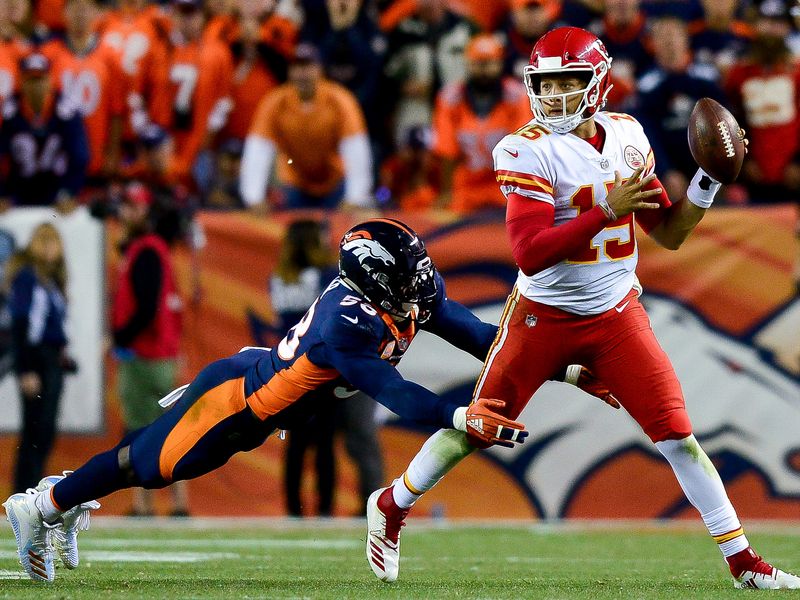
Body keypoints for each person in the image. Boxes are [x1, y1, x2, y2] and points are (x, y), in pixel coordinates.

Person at [365, 27, 800, 591]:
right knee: (481, 424)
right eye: (546, 84)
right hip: (541, 316)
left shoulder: (627, 136)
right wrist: (604, 209)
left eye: (568, 82)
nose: (555, 96)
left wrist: (707, 180)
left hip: (616, 314)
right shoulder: (528, 148)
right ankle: (393, 505)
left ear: (596, 82)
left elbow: (668, 234)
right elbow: (529, 253)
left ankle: (744, 564)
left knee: (678, 436)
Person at [6, 217, 591, 583]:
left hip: (262, 390)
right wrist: (458, 414)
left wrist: (562, 369)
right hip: (238, 404)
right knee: (146, 467)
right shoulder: (347, 322)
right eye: (408, 280)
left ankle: (58, 499)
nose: (422, 290)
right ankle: (41, 506)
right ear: (374, 283)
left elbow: (481, 336)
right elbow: (393, 392)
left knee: (147, 466)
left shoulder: (407, 290)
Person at [111, 181, 189, 517]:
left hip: (147, 355)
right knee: (167, 429)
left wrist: (120, 338)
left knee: (141, 433)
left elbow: (145, 308)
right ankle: (175, 503)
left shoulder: (145, 250)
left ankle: (147, 504)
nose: (126, 212)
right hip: (158, 354)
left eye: (133, 206)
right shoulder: (150, 247)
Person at [239, 42, 373, 210]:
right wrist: (253, 197)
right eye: (297, 67)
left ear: (320, 69)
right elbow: (258, 148)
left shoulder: (340, 100)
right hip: (294, 183)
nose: (302, 73)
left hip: (335, 183)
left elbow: (355, 148)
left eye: (308, 67)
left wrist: (355, 197)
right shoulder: (275, 102)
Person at [6, 223, 75, 492]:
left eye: (53, 241)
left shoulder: (52, 280)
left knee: (45, 429)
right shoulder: (27, 277)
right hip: (36, 360)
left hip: (51, 360)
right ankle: (23, 493)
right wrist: (26, 368)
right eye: (44, 241)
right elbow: (22, 324)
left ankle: (31, 491)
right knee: (35, 428)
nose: (49, 248)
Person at [0, 52, 89, 212]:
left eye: (40, 79)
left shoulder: (65, 111)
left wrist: (68, 192)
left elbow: (79, 157)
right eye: (30, 80)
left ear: (50, 80)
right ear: (21, 82)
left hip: (57, 190)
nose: (36, 86)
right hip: (19, 190)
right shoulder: (9, 112)